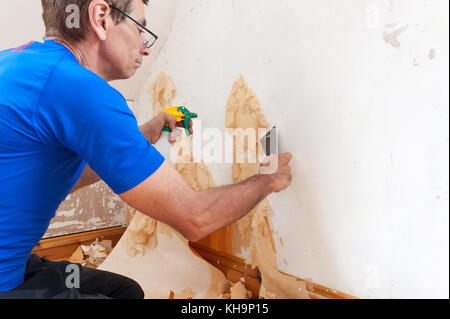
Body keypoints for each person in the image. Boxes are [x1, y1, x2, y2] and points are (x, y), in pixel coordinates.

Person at [0, 0, 293, 298]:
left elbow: (52, 178)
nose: (146, 47)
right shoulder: (81, 89)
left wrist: (147, 134)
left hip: (14, 264)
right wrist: (267, 180)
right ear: (101, 17)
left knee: (125, 290)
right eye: (140, 27)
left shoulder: (16, 62)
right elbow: (195, 218)